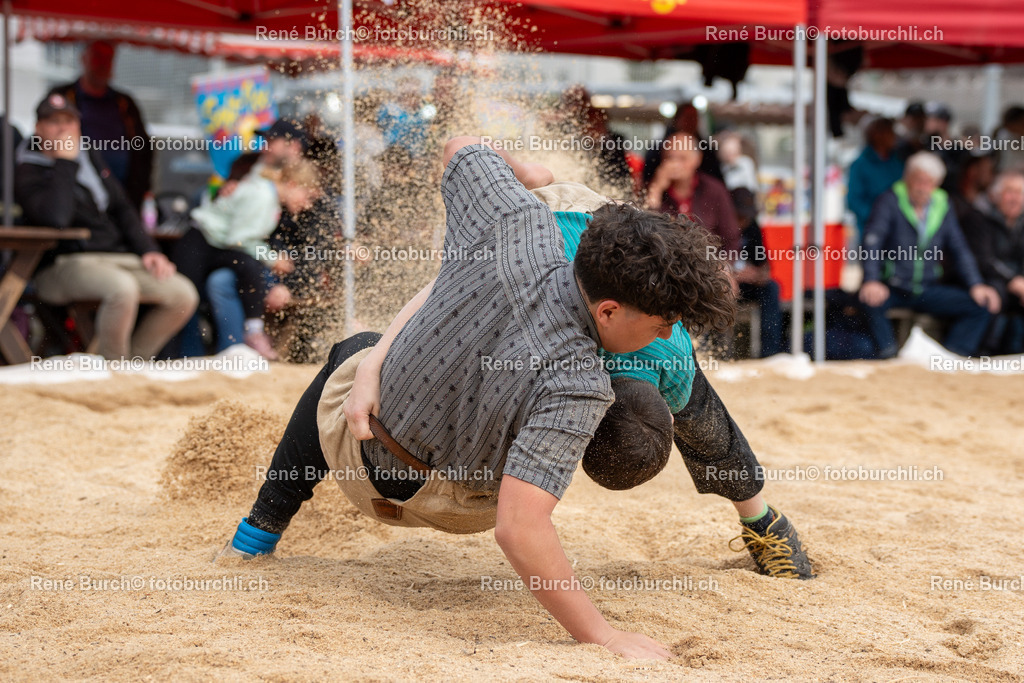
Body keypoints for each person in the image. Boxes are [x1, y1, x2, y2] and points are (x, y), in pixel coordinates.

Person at [219, 136, 763, 661]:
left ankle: (257, 532)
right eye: (661, 324)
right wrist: (602, 634)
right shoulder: (578, 384)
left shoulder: (515, 222)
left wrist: (525, 175)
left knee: (354, 350)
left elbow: (460, 145)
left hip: (363, 450)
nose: (666, 334)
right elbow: (519, 529)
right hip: (458, 504)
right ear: (608, 310)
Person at [15, 93, 197, 361]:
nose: (64, 129)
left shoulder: (89, 157)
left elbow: (123, 208)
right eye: (54, 122)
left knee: (182, 294)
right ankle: (114, 368)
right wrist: (64, 162)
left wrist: (150, 250)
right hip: (65, 263)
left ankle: (135, 363)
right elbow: (56, 219)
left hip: (117, 257)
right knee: (122, 289)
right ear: (38, 128)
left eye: (69, 121)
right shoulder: (27, 168)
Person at [172, 159, 321, 359]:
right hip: (199, 243)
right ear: (293, 184)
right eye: (307, 196)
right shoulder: (263, 197)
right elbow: (239, 239)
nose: (307, 204)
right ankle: (184, 357)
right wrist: (272, 258)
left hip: (213, 243)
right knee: (187, 305)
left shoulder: (267, 194)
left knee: (246, 268)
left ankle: (236, 340)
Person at [859, 152, 1001, 358]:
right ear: (907, 178)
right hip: (893, 286)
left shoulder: (943, 205)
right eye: (919, 180)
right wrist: (872, 279)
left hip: (927, 287)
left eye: (929, 182)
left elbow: (959, 248)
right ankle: (888, 353)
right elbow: (872, 242)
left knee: (980, 306)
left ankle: (952, 356)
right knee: (869, 300)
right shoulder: (889, 201)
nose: (923, 187)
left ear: (937, 184)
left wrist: (976, 284)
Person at [49, 41, 152, 211]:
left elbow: (144, 148)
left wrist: (142, 190)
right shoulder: (64, 97)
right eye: (97, 57)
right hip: (77, 198)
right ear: (84, 59)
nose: (103, 64)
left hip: (122, 197)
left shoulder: (124, 103)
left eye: (108, 58)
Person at [644, 131, 741, 258]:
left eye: (682, 158)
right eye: (670, 158)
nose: (675, 164)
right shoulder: (653, 188)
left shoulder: (714, 190)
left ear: (697, 159)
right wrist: (656, 189)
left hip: (707, 263)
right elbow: (643, 231)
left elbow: (731, 238)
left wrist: (722, 265)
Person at [958, 171, 1024, 353]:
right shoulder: (979, 217)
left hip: (1014, 284)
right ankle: (985, 353)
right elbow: (984, 260)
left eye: (1020, 193)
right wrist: (1013, 280)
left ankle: (1016, 352)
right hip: (983, 281)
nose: (1015, 198)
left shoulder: (1020, 222)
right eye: (1010, 192)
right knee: (995, 292)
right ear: (996, 195)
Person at [729, 188, 784, 356]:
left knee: (771, 288)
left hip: (747, 285)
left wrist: (759, 275)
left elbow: (764, 264)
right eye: (740, 216)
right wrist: (733, 275)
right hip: (722, 284)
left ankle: (770, 351)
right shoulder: (718, 226)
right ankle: (719, 350)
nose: (744, 221)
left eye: (747, 216)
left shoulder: (752, 227)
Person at [847, 118, 904, 244]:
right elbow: (853, 201)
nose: (894, 137)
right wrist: (877, 217)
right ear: (878, 136)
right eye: (890, 132)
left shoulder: (897, 163)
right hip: (871, 232)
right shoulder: (860, 165)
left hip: (897, 233)